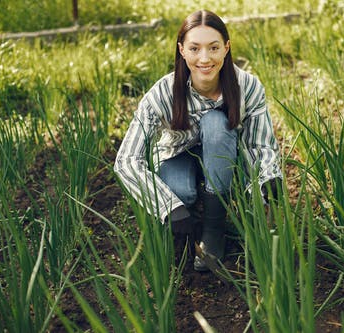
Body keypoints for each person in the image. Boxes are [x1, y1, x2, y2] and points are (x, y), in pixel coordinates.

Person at [114, 9, 282, 271]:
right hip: (177, 155)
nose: (205, 58)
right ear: (182, 50)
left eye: (213, 48)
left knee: (216, 123)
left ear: (226, 48)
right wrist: (168, 206)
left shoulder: (247, 86)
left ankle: (214, 227)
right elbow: (126, 160)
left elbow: (260, 144)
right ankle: (188, 220)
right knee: (181, 194)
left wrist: (268, 177)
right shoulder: (162, 93)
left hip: (224, 156)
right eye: (195, 48)